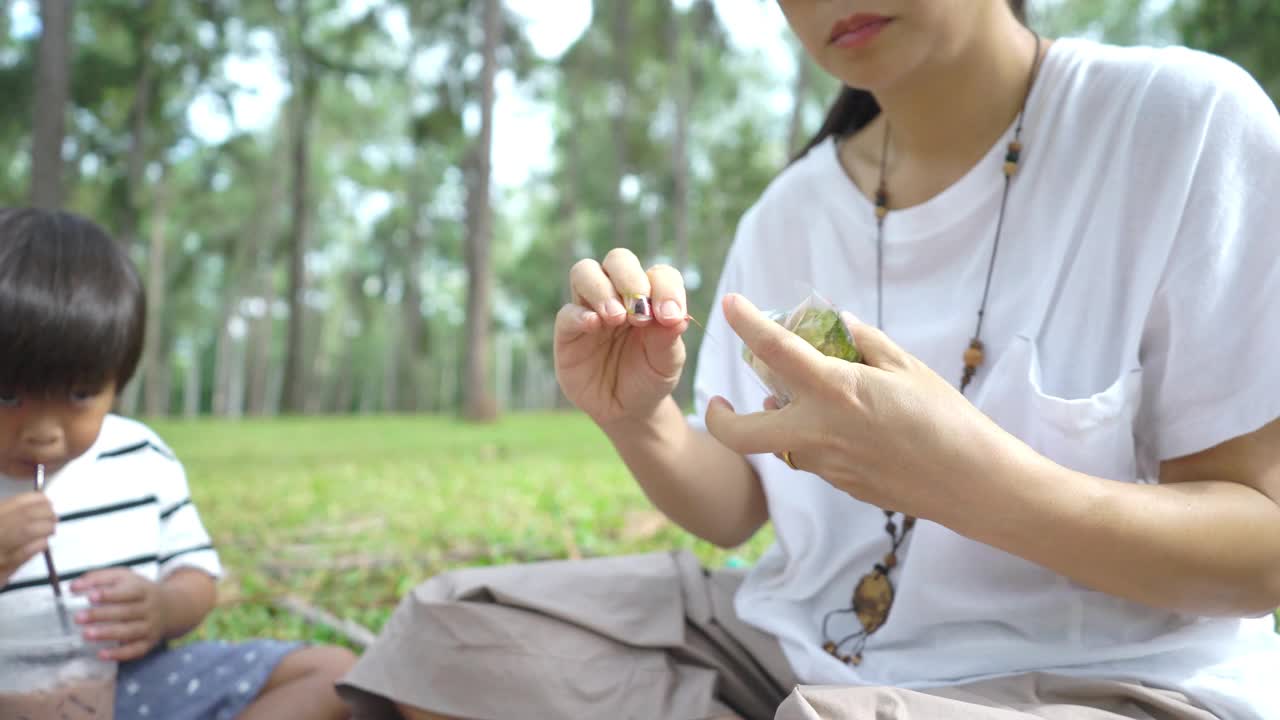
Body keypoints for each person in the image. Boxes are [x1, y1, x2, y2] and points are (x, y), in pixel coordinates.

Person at [339, 1, 1280, 718]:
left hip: (1097, 685)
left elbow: (1260, 551)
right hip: (795, 652)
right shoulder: (789, 214)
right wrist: (638, 419)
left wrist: (965, 478)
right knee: (454, 629)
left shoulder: (1180, 128)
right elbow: (737, 503)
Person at [0, 208, 357, 720]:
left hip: (131, 689)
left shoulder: (141, 460)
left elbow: (195, 576)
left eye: (80, 394)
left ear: (117, 381)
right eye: (9, 396)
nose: (43, 431)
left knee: (331, 674)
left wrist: (164, 609)